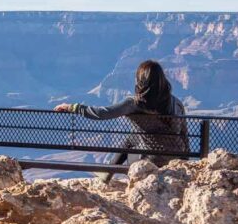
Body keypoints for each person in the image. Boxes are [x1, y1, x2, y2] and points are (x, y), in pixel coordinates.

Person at [54, 60, 186, 173]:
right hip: (177, 155)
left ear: (141, 81)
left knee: (130, 142)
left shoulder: (135, 103)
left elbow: (102, 113)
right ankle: (106, 174)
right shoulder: (176, 102)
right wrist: (186, 161)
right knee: (133, 136)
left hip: (154, 159)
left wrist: (72, 107)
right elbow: (184, 133)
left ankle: (106, 175)